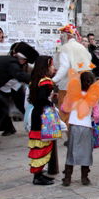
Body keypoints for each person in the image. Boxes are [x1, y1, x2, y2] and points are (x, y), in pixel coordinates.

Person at [27, 56, 59, 185]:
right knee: (42, 146)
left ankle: (39, 173)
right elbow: (42, 99)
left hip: (37, 114)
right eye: (51, 66)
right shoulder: (45, 81)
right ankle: (37, 176)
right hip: (44, 115)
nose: (53, 68)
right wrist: (50, 103)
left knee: (40, 144)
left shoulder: (35, 80)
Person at [64, 71, 99, 186]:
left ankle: (67, 178)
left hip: (73, 126)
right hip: (86, 127)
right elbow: (97, 115)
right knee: (86, 152)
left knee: (71, 151)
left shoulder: (73, 94)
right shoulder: (93, 97)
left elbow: (64, 108)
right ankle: (84, 178)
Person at [52, 24, 81, 124]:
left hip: (66, 86)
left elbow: (64, 66)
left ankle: (68, 132)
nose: (60, 36)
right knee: (73, 113)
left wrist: (54, 80)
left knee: (65, 113)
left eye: (62, 34)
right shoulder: (78, 47)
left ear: (67, 35)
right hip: (77, 85)